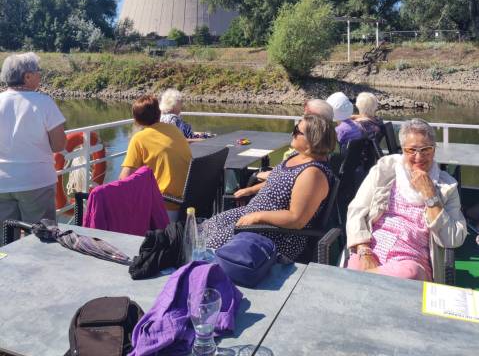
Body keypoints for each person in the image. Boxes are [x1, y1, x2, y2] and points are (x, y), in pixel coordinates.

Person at [201, 114, 336, 261]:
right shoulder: (298, 155)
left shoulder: (313, 174)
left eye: (297, 131)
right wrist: (250, 190)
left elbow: (296, 219)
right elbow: (278, 182)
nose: (293, 133)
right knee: (204, 230)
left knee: (207, 247)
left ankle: (198, 273)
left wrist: (257, 217)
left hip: (275, 234)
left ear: (312, 139)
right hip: (253, 219)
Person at [346, 118, 466, 282]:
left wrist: (430, 196)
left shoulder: (447, 186)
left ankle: (358, 282)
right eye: (412, 150)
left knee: (408, 274)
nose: (419, 157)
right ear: (403, 149)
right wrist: (363, 249)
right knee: (355, 266)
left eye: (426, 150)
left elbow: (454, 237)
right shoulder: (385, 169)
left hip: (411, 260)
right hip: (370, 249)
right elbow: (357, 209)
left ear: (434, 151)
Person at [0, 53, 66, 230]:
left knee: (5, 241)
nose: (40, 75)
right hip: (36, 181)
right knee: (40, 240)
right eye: (38, 71)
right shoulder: (44, 102)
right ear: (27, 76)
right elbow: (60, 144)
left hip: (2, 183)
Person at [119, 95, 192, 221]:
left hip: (163, 205)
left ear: (136, 120)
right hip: (186, 202)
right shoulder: (174, 130)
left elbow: (124, 180)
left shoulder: (139, 139)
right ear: (159, 114)